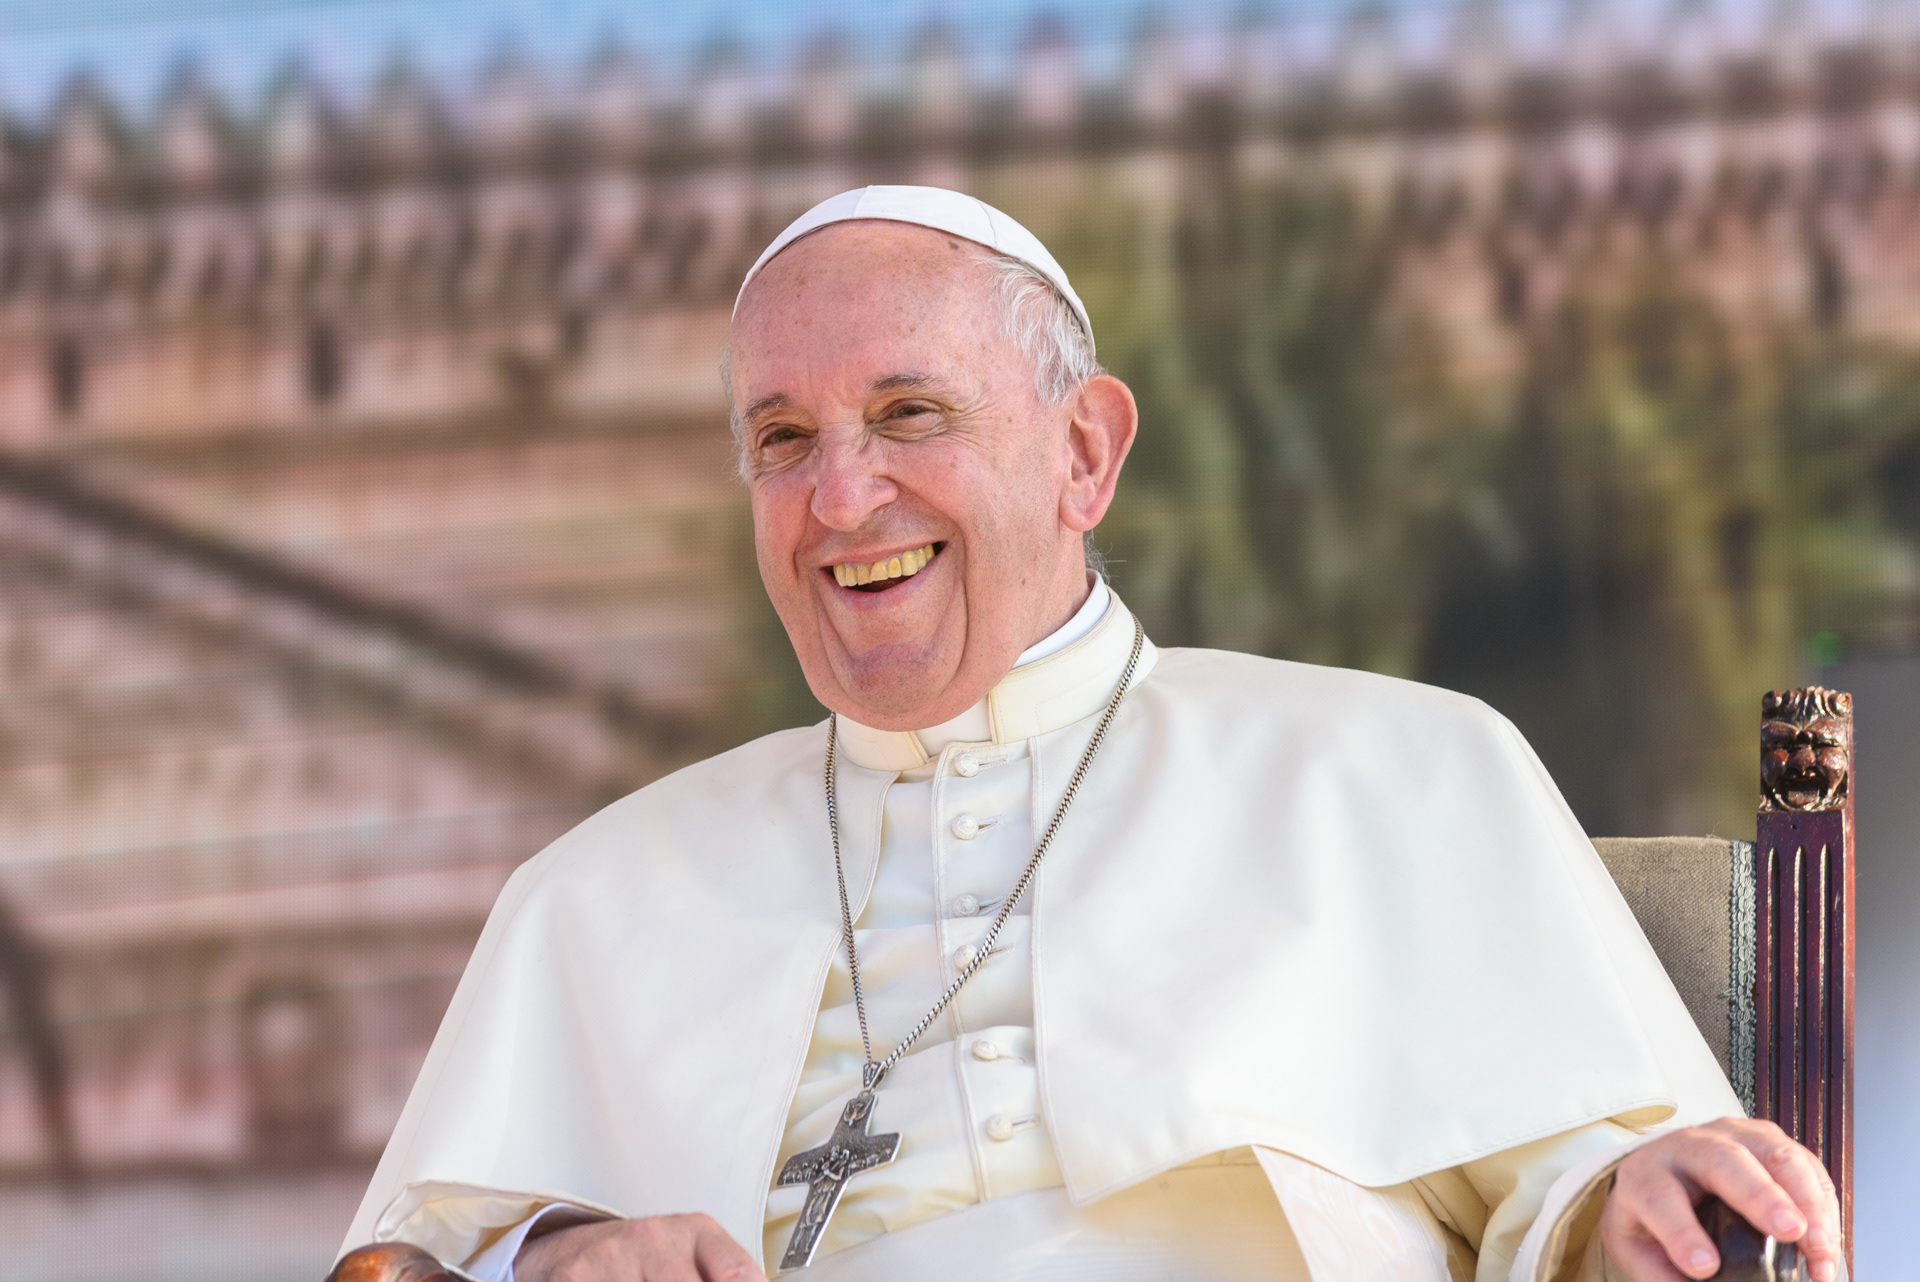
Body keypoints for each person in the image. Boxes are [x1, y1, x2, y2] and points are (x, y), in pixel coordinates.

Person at [339, 187, 1842, 1282]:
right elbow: (415, 1258)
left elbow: (1583, 1181)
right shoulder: (591, 894)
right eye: (782, 441)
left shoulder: (1395, 766)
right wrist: (554, 1255)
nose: (840, 498)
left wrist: (1640, 1186)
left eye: (910, 413)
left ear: (1083, 452)